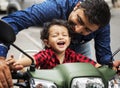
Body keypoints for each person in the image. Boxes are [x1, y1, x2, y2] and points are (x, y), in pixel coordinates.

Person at [0, 0, 115, 87]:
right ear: (77, 6)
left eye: (87, 30)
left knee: (87, 78)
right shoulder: (55, 7)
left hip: (79, 49)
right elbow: (10, 23)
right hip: (52, 52)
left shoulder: (102, 25)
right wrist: (2, 58)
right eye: (79, 20)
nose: (77, 30)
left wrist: (112, 66)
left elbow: (104, 60)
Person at [6, 19, 120, 71]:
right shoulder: (46, 55)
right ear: (47, 43)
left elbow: (91, 64)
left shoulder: (73, 55)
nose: (60, 37)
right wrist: (15, 64)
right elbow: (33, 59)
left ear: (70, 40)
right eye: (55, 35)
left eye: (64, 35)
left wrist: (108, 69)